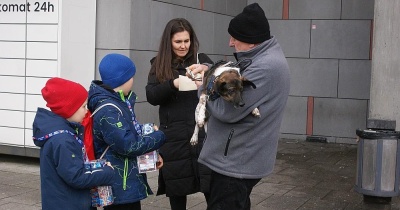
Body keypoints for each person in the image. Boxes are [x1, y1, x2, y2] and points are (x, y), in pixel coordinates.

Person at [189, 3, 290, 210]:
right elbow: (234, 74)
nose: (230, 43)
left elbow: (227, 111)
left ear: (252, 41)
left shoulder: (265, 67)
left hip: (236, 162)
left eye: (235, 38)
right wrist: (209, 69)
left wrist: (203, 88)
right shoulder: (261, 57)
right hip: (238, 159)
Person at [145, 18, 213, 210]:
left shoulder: (201, 60)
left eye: (187, 40)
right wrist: (173, 84)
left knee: (211, 188)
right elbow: (151, 95)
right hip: (174, 137)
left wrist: (206, 69)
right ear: (169, 42)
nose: (183, 46)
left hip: (201, 133)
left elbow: (218, 71)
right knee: (177, 190)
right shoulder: (159, 64)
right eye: (178, 42)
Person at [88, 53, 166, 210]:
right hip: (119, 187)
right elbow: (128, 145)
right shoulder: (109, 110)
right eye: (131, 76)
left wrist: (147, 131)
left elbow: (126, 132)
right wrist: (158, 137)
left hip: (125, 183)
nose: (133, 80)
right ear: (122, 80)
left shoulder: (119, 102)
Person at [32, 77, 115, 210]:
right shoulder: (63, 140)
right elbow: (77, 176)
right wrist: (106, 172)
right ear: (68, 109)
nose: (86, 111)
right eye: (83, 106)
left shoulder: (63, 134)